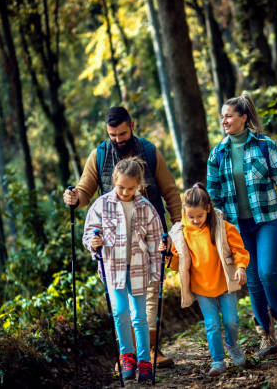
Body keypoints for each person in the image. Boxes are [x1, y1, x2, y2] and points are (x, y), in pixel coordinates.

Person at [63, 106, 180, 367]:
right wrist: (74, 198)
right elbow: (85, 189)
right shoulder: (100, 155)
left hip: (149, 235)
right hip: (114, 244)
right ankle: (128, 355)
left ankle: (149, 352)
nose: (118, 139)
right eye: (113, 134)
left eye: (122, 133)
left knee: (149, 295)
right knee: (122, 305)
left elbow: (170, 190)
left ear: (132, 125)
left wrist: (177, 226)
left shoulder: (149, 151)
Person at [206, 94, 277, 358]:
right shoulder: (217, 153)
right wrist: (213, 215)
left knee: (267, 273)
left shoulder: (265, 145)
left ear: (243, 117)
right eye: (222, 116)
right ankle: (266, 335)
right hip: (237, 226)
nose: (224, 120)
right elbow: (213, 191)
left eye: (229, 116)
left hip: (267, 217)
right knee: (252, 280)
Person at [82, 158, 163, 382]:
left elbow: (156, 240)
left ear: (139, 185)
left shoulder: (146, 207)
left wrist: (158, 271)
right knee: (120, 312)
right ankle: (127, 356)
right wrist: (93, 242)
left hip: (138, 268)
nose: (125, 192)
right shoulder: (101, 204)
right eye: (121, 187)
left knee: (139, 316)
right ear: (113, 182)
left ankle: (145, 360)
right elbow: (89, 233)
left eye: (131, 188)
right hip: (112, 268)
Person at [160, 183, 250, 377]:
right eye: (190, 217)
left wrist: (241, 267)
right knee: (212, 324)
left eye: (199, 216)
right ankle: (218, 361)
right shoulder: (181, 233)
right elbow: (178, 263)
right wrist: (167, 255)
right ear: (185, 212)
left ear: (208, 209)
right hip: (200, 286)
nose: (195, 220)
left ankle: (233, 345)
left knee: (231, 320)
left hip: (224, 282)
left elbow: (239, 250)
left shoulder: (223, 226)